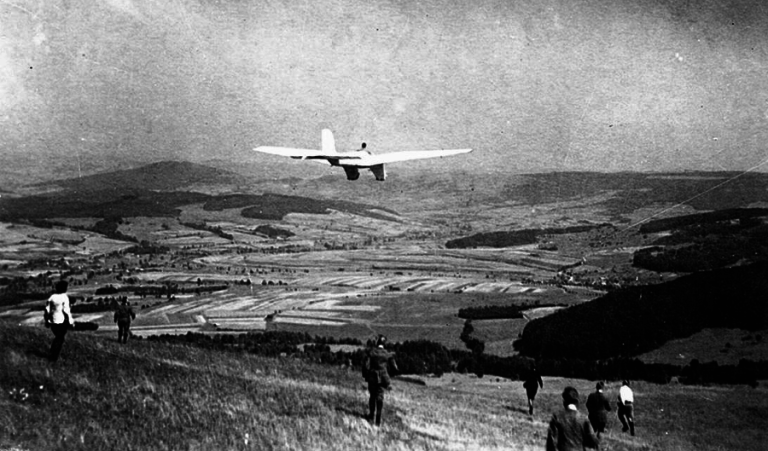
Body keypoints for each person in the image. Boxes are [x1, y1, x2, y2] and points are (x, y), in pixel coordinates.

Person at [546, 386, 600, 451]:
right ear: (577, 402)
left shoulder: (557, 417)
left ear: (564, 402)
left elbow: (551, 441)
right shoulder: (583, 418)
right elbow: (593, 440)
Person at [362, 334, 398, 426]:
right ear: (384, 343)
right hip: (383, 379)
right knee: (380, 397)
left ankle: (371, 417)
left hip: (372, 377)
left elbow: (366, 365)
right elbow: (394, 367)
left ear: (377, 342)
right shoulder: (387, 354)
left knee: (372, 396)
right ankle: (378, 420)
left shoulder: (371, 352)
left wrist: (366, 375)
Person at [44, 280, 73, 362]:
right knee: (60, 338)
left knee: (58, 337)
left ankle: (52, 354)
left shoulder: (52, 297)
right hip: (61, 321)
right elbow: (67, 311)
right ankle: (53, 356)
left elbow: (47, 310)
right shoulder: (64, 297)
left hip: (53, 322)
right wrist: (70, 322)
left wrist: (47, 320)